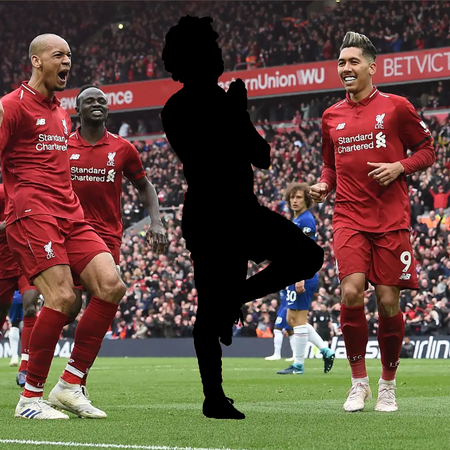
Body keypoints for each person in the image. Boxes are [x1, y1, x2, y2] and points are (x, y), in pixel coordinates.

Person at [161, 16, 323, 420]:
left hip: (214, 215)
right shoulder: (202, 106)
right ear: (198, 58)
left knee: (214, 306)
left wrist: (234, 110)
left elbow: (253, 155)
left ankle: (215, 389)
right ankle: (216, 386)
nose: (220, 55)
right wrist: (237, 111)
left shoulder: (175, 108)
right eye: (213, 50)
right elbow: (256, 155)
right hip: (227, 214)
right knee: (306, 257)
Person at [0, 33, 126, 420]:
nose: (67, 61)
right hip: (32, 213)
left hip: (71, 213)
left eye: (69, 55)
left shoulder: (61, 112)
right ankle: (29, 399)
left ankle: (70, 385)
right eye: (59, 55)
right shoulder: (11, 106)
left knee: (111, 285)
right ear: (36, 61)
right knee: (62, 297)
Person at [310, 31, 435, 413]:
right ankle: (358, 384)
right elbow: (330, 166)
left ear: (371, 66)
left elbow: (427, 150)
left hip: (391, 218)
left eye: (353, 61)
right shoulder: (331, 116)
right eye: (341, 62)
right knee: (351, 292)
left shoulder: (396, 107)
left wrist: (400, 166)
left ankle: (388, 386)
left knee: (387, 300)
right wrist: (324, 185)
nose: (346, 68)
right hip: (348, 216)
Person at [62, 84, 168, 389]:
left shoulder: (123, 149)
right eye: (90, 101)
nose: (97, 104)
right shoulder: (63, 146)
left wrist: (156, 222)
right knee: (68, 306)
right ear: (78, 110)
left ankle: (76, 380)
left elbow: (145, 187)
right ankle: (34, 362)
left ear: (108, 109)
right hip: (68, 233)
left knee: (102, 301)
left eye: (102, 101)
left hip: (107, 238)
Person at [274, 183, 335, 375]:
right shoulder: (297, 220)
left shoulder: (306, 220)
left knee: (298, 320)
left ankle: (299, 365)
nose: (294, 201)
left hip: (303, 276)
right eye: (292, 197)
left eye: (299, 197)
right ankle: (325, 350)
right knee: (292, 319)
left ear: (307, 200)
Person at [0, 183, 40, 386]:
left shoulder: (32, 192)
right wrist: (9, 223)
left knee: (30, 306)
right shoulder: (2, 193)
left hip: (26, 261)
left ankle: (25, 366)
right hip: (3, 265)